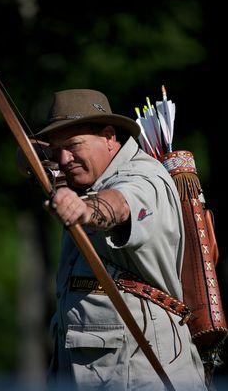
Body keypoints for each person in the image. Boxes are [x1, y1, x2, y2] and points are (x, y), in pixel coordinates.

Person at [36, 89, 207, 390]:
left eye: (74, 146)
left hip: (146, 377)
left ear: (109, 137)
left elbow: (120, 204)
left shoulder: (144, 177)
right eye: (56, 150)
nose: (63, 159)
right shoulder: (87, 177)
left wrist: (85, 209)